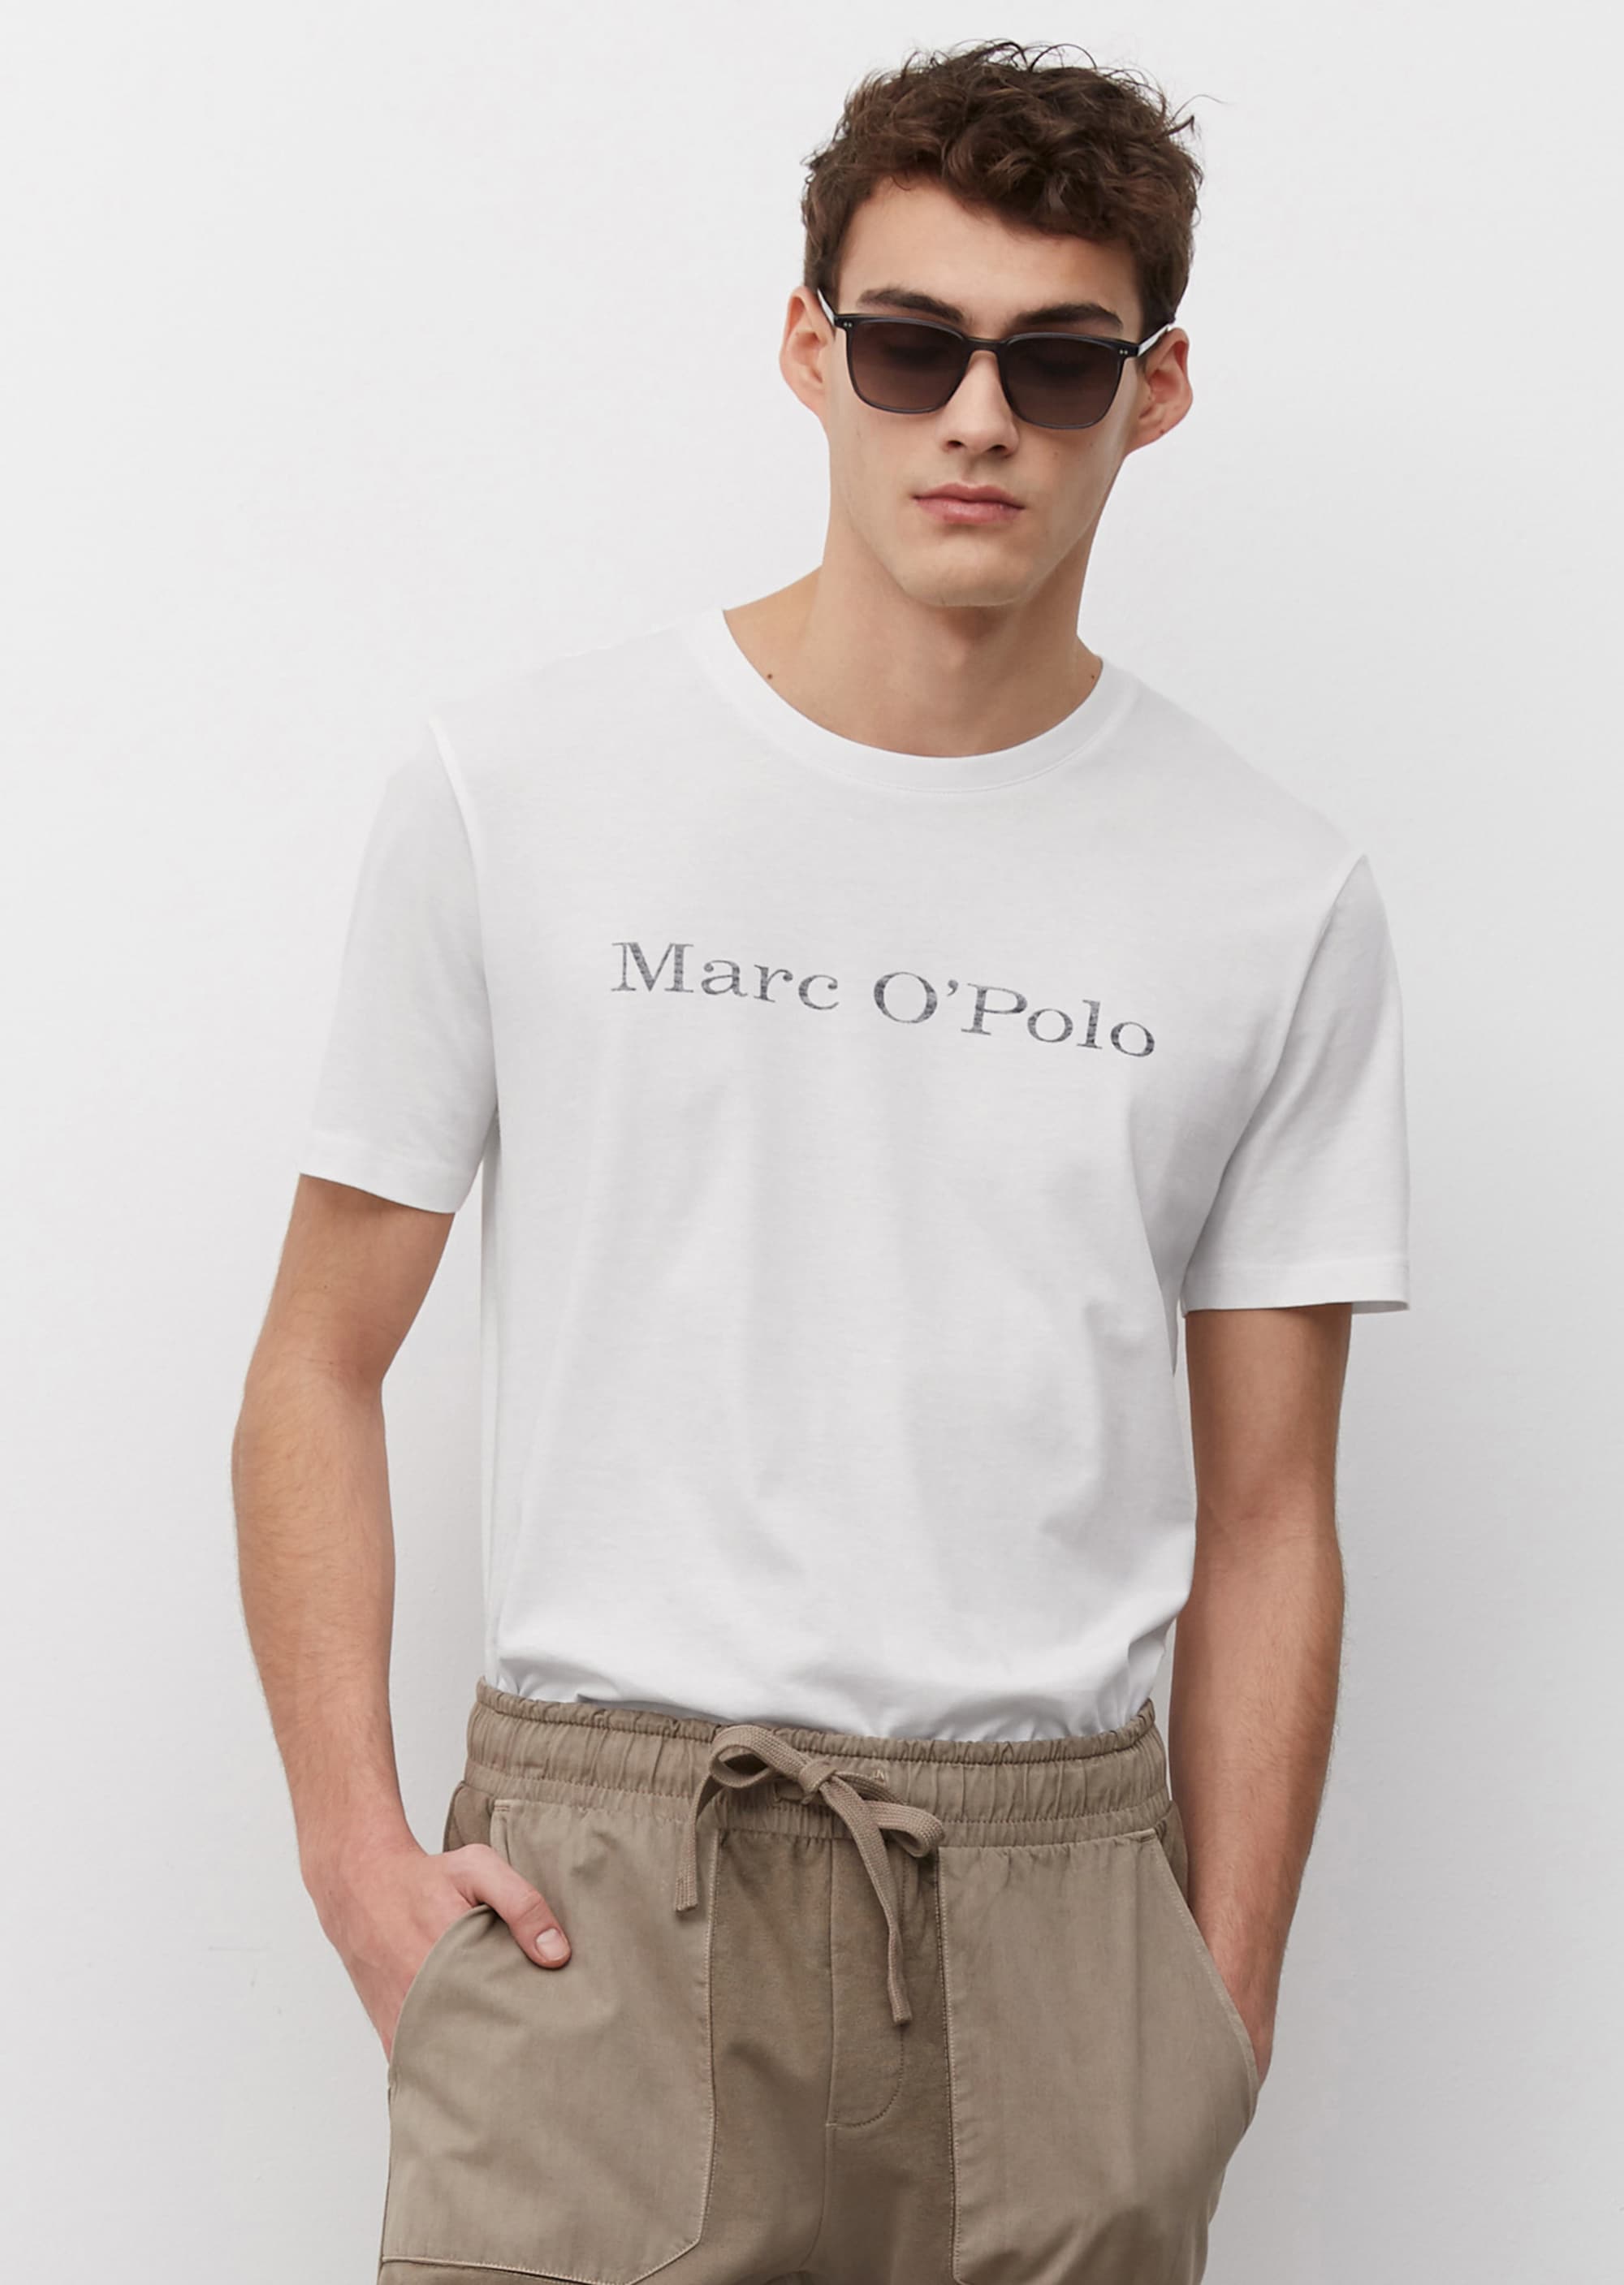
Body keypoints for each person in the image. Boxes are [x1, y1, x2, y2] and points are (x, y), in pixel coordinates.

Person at [233, 36, 1410, 2285]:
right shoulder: (522, 790)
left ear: (1152, 392)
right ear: (811, 349)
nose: (977, 417)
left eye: (1056, 362)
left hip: (1062, 1918)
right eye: (911, 346)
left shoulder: (1276, 895)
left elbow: (1275, 1509)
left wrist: (1217, 2016)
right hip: (604, 1894)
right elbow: (318, 1354)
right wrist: (353, 1854)